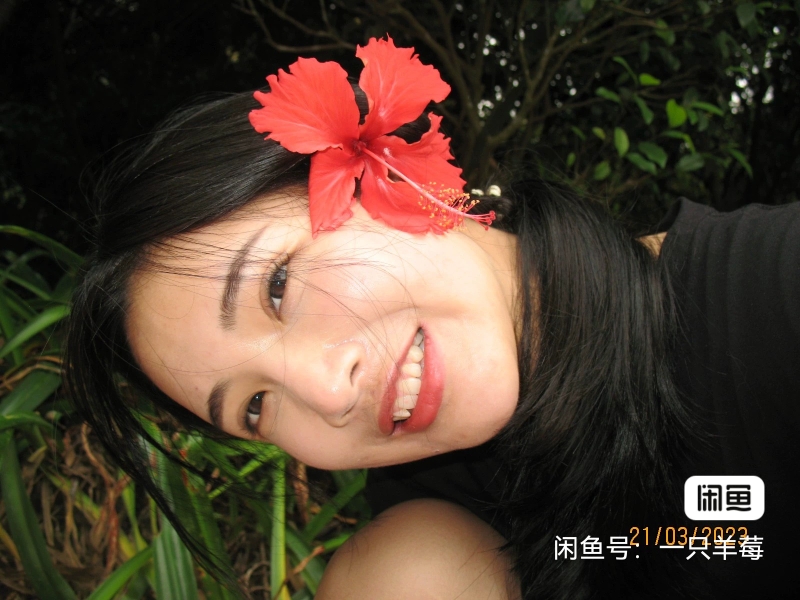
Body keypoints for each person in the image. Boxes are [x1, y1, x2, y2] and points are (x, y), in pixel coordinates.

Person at [65, 37, 799, 599]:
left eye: (278, 286)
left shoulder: (774, 290)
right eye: (254, 407)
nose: (327, 392)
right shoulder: (411, 565)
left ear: (388, 171)